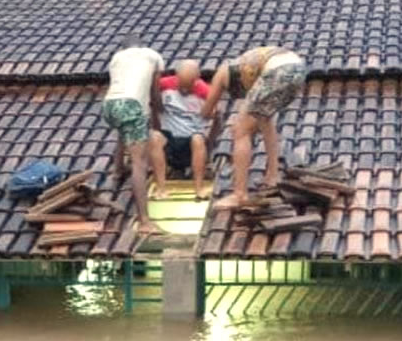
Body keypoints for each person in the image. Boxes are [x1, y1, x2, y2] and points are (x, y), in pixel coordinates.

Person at [202, 46, 307, 208]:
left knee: (239, 129)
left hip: (277, 72)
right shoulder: (248, 70)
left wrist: (204, 115)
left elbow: (207, 109)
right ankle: (272, 176)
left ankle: (239, 195)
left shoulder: (222, 71)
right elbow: (259, 113)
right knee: (265, 120)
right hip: (298, 71)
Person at [103, 35, 165, 234]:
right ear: (141, 45)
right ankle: (144, 220)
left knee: (124, 130)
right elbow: (154, 93)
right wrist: (158, 117)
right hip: (132, 105)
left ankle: (118, 170)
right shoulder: (153, 56)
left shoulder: (116, 58)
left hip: (109, 105)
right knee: (140, 163)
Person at [149, 59, 210, 200]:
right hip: (169, 139)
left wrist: (210, 142)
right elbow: (152, 104)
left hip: (190, 140)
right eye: (181, 85)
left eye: (188, 87)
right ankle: (161, 189)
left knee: (198, 139)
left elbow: (215, 117)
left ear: (196, 79)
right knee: (154, 137)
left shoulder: (205, 91)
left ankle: (199, 188)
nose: (184, 90)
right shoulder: (163, 86)